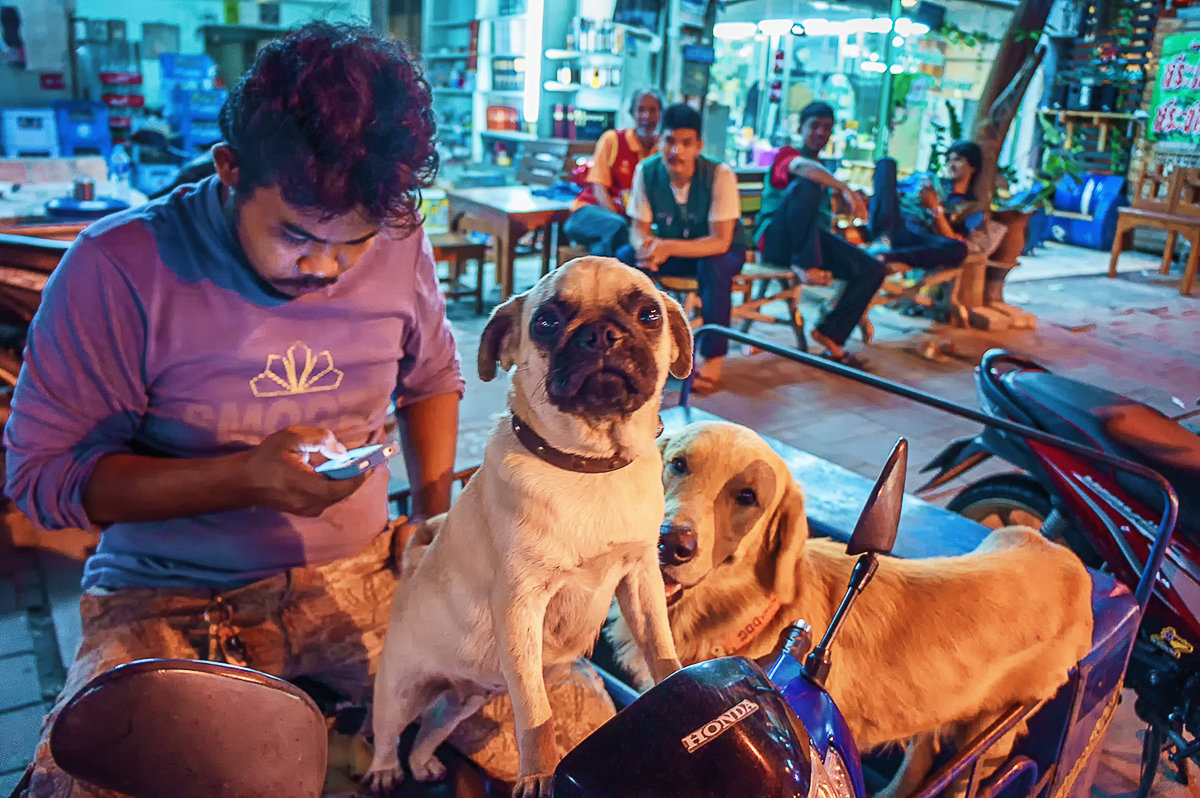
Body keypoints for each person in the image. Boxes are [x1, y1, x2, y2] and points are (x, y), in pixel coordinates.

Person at [3, 23, 609, 796]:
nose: (323, 268)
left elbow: (429, 378)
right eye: (294, 235)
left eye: (350, 244)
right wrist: (244, 480)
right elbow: (41, 477)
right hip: (168, 588)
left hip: (358, 565)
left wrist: (430, 527)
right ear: (229, 172)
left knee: (583, 735)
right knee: (90, 778)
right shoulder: (119, 268)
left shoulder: (398, 238)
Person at [617, 102, 745, 393]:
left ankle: (713, 356)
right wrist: (644, 248)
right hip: (676, 250)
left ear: (698, 145)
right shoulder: (646, 171)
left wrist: (667, 246)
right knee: (626, 261)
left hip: (722, 252)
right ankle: (631, 348)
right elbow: (638, 229)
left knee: (713, 268)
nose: (677, 151)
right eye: (670, 141)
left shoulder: (719, 174)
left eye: (686, 143)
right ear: (660, 142)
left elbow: (720, 240)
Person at [756, 102, 886, 368]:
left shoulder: (823, 169)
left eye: (827, 127)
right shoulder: (788, 155)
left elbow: (825, 217)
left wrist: (848, 203)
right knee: (808, 186)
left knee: (872, 269)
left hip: (810, 241)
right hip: (775, 241)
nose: (820, 132)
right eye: (814, 125)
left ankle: (830, 334)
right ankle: (803, 264)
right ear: (800, 127)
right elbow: (803, 170)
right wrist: (844, 188)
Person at [562, 88, 663, 257]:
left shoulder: (662, 152)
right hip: (587, 214)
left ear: (661, 114)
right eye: (641, 110)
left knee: (610, 245)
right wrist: (624, 222)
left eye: (653, 110)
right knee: (617, 228)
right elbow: (599, 188)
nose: (647, 116)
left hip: (620, 230)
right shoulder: (613, 140)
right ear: (632, 113)